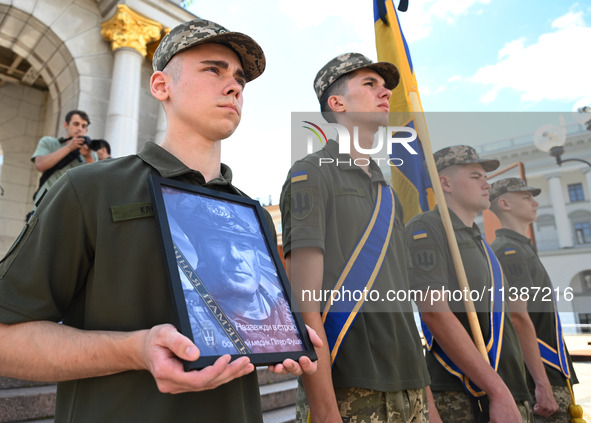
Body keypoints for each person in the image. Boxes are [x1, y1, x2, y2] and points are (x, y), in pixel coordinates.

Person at [0, 18, 319, 423]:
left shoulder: (252, 215)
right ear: (161, 86)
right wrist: (135, 349)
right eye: (213, 70)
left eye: (240, 78)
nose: (234, 86)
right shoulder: (90, 189)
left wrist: (278, 338)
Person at [280, 53, 433, 423]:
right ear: (337, 103)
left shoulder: (388, 192)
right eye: (370, 84)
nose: (385, 93)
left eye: (386, 87)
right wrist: (327, 410)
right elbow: (304, 302)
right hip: (352, 388)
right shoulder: (312, 174)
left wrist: (427, 400)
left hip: (411, 384)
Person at [405, 146, 533, 423]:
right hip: (465, 394)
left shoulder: (480, 241)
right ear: (445, 183)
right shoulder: (427, 228)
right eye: (476, 176)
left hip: (509, 389)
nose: (487, 183)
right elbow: (434, 313)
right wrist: (497, 391)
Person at [164, 192, 304, 355]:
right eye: (218, 243)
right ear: (201, 251)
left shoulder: (284, 308)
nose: (235, 256)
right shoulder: (194, 315)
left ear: (255, 255)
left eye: (243, 246)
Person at [489, 177, 578, 422]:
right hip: (538, 375)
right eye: (527, 197)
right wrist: (543, 384)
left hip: (548, 371)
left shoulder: (520, 247)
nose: (535, 203)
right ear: (505, 204)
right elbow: (517, 318)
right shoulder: (510, 250)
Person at [30, 110, 97, 206]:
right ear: (66, 125)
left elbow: (95, 184)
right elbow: (40, 165)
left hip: (72, 206)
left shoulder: (91, 155)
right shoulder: (49, 142)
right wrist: (69, 147)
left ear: (86, 131)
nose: (79, 129)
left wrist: (88, 157)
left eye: (83, 126)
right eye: (76, 124)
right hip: (45, 203)